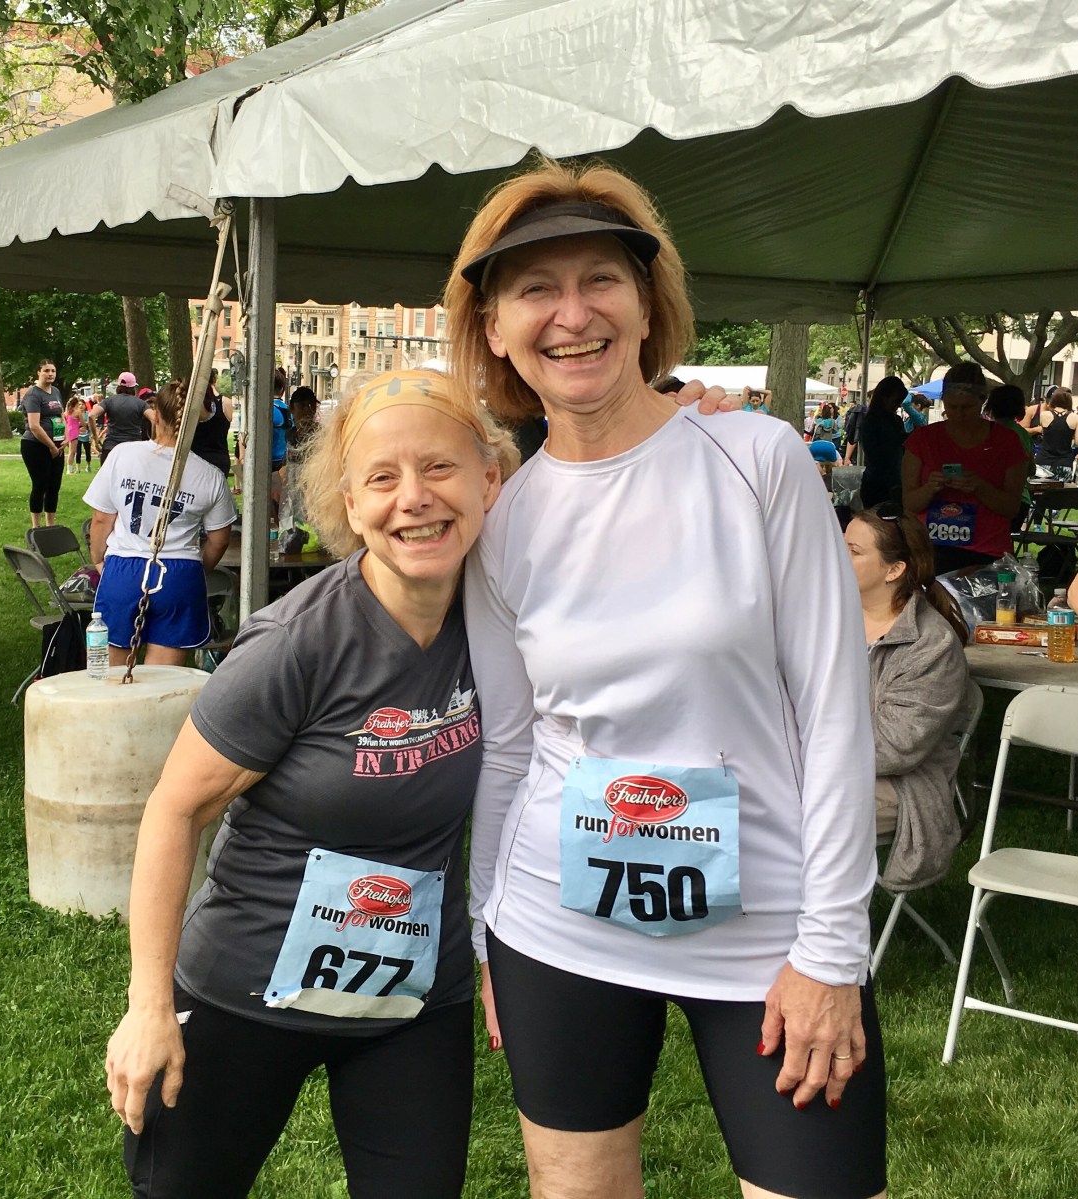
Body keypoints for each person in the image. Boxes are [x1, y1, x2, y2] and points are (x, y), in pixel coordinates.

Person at [446, 159, 886, 1199]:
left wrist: (832, 949)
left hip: (771, 935)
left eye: (601, 279)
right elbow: (511, 747)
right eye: (535, 290)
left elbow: (834, 714)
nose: (572, 315)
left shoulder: (758, 460)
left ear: (648, 307)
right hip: (556, 923)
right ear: (495, 329)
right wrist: (485, 934)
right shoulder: (502, 522)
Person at [103, 369, 517, 1199]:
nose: (414, 498)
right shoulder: (296, 642)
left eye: (439, 467)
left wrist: (684, 418)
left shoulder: (506, 621)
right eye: (381, 477)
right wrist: (147, 1005)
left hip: (410, 999)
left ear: (489, 480)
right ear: (349, 505)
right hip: (245, 987)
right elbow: (175, 808)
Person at [844, 506, 970, 891]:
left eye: (853, 551)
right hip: (819, 767)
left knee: (785, 812)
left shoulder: (931, 645)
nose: (836, 555)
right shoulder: (824, 620)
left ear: (894, 570)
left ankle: (807, 919)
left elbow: (895, 748)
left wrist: (802, 752)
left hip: (900, 785)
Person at [84, 381, 236, 668]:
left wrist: (98, 560)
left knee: (111, 679)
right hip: (179, 574)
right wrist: (196, 569)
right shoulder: (211, 475)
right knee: (163, 682)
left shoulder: (122, 455)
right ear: (198, 421)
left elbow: (101, 518)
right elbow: (219, 540)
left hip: (124, 569)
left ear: (155, 414)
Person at [901, 361, 1026, 576]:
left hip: (986, 553)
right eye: (952, 407)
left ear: (982, 401)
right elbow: (909, 503)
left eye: (967, 408)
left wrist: (980, 487)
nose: (959, 414)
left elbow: (1011, 508)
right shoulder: (922, 439)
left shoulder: (1007, 441)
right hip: (931, 551)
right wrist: (930, 488)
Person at [20, 359, 67, 528]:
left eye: (53, 371)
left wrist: (65, 437)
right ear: (38, 372)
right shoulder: (33, 394)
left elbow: (61, 415)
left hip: (57, 445)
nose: (50, 374)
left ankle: (50, 525)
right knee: (40, 484)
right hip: (35, 445)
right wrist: (51, 446)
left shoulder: (56, 392)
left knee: (54, 485)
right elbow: (34, 426)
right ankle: (36, 526)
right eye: (46, 370)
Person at [982, 384, 1036, 530]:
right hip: (1022, 500)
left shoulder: (987, 433)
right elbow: (1031, 469)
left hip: (995, 499)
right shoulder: (1023, 433)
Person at [858, 376, 909, 509]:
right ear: (883, 397)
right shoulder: (870, 422)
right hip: (877, 484)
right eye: (895, 401)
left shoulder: (896, 420)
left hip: (895, 482)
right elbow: (874, 454)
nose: (898, 405)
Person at [90, 371, 153, 465]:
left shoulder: (108, 401)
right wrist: (153, 441)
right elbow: (154, 419)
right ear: (133, 387)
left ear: (118, 386)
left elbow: (91, 416)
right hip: (133, 449)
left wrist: (96, 438)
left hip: (111, 448)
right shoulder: (140, 403)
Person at [191, 368, 234, 478]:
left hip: (196, 460)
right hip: (220, 460)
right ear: (214, 379)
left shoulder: (194, 404)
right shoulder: (226, 402)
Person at [1031, 385, 1077, 481]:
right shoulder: (1075, 418)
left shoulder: (1044, 415)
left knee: (1041, 490)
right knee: (1060, 490)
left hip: (1043, 461)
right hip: (1064, 463)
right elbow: (1077, 442)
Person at [64, 396, 85, 475]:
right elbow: (83, 423)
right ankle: (69, 470)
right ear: (76, 404)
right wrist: (85, 425)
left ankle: (70, 468)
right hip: (74, 433)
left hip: (67, 432)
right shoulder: (77, 412)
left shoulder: (66, 413)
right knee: (72, 452)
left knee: (70, 451)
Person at [843, 396, 866, 465]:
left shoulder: (860, 411)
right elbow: (853, 435)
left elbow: (853, 435)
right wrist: (847, 457)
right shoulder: (861, 412)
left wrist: (847, 457)